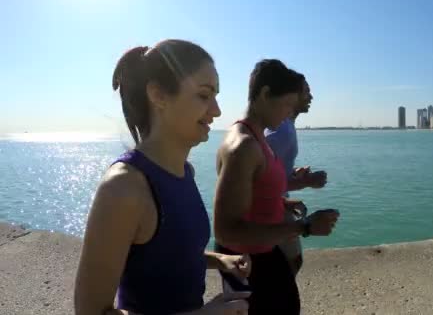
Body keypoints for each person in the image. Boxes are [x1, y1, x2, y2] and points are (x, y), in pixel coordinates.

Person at [74, 39, 250, 315]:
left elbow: (168, 256)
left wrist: (220, 260)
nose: (216, 110)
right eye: (204, 95)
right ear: (158, 95)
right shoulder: (124, 187)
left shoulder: (185, 172)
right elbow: (91, 311)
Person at [213, 59, 340, 314]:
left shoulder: (257, 137)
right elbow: (226, 231)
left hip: (264, 251)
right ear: (265, 94)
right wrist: (304, 226)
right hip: (249, 260)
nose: (287, 113)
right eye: (286, 105)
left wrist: (282, 201)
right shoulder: (244, 145)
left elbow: (253, 192)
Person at [264, 72, 327, 276]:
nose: (311, 97)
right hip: (271, 209)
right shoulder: (281, 132)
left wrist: (293, 174)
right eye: (306, 92)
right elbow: (261, 179)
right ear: (291, 96)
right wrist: (306, 182)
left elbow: (272, 170)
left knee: (289, 263)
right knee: (288, 265)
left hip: (278, 205)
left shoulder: (284, 127)